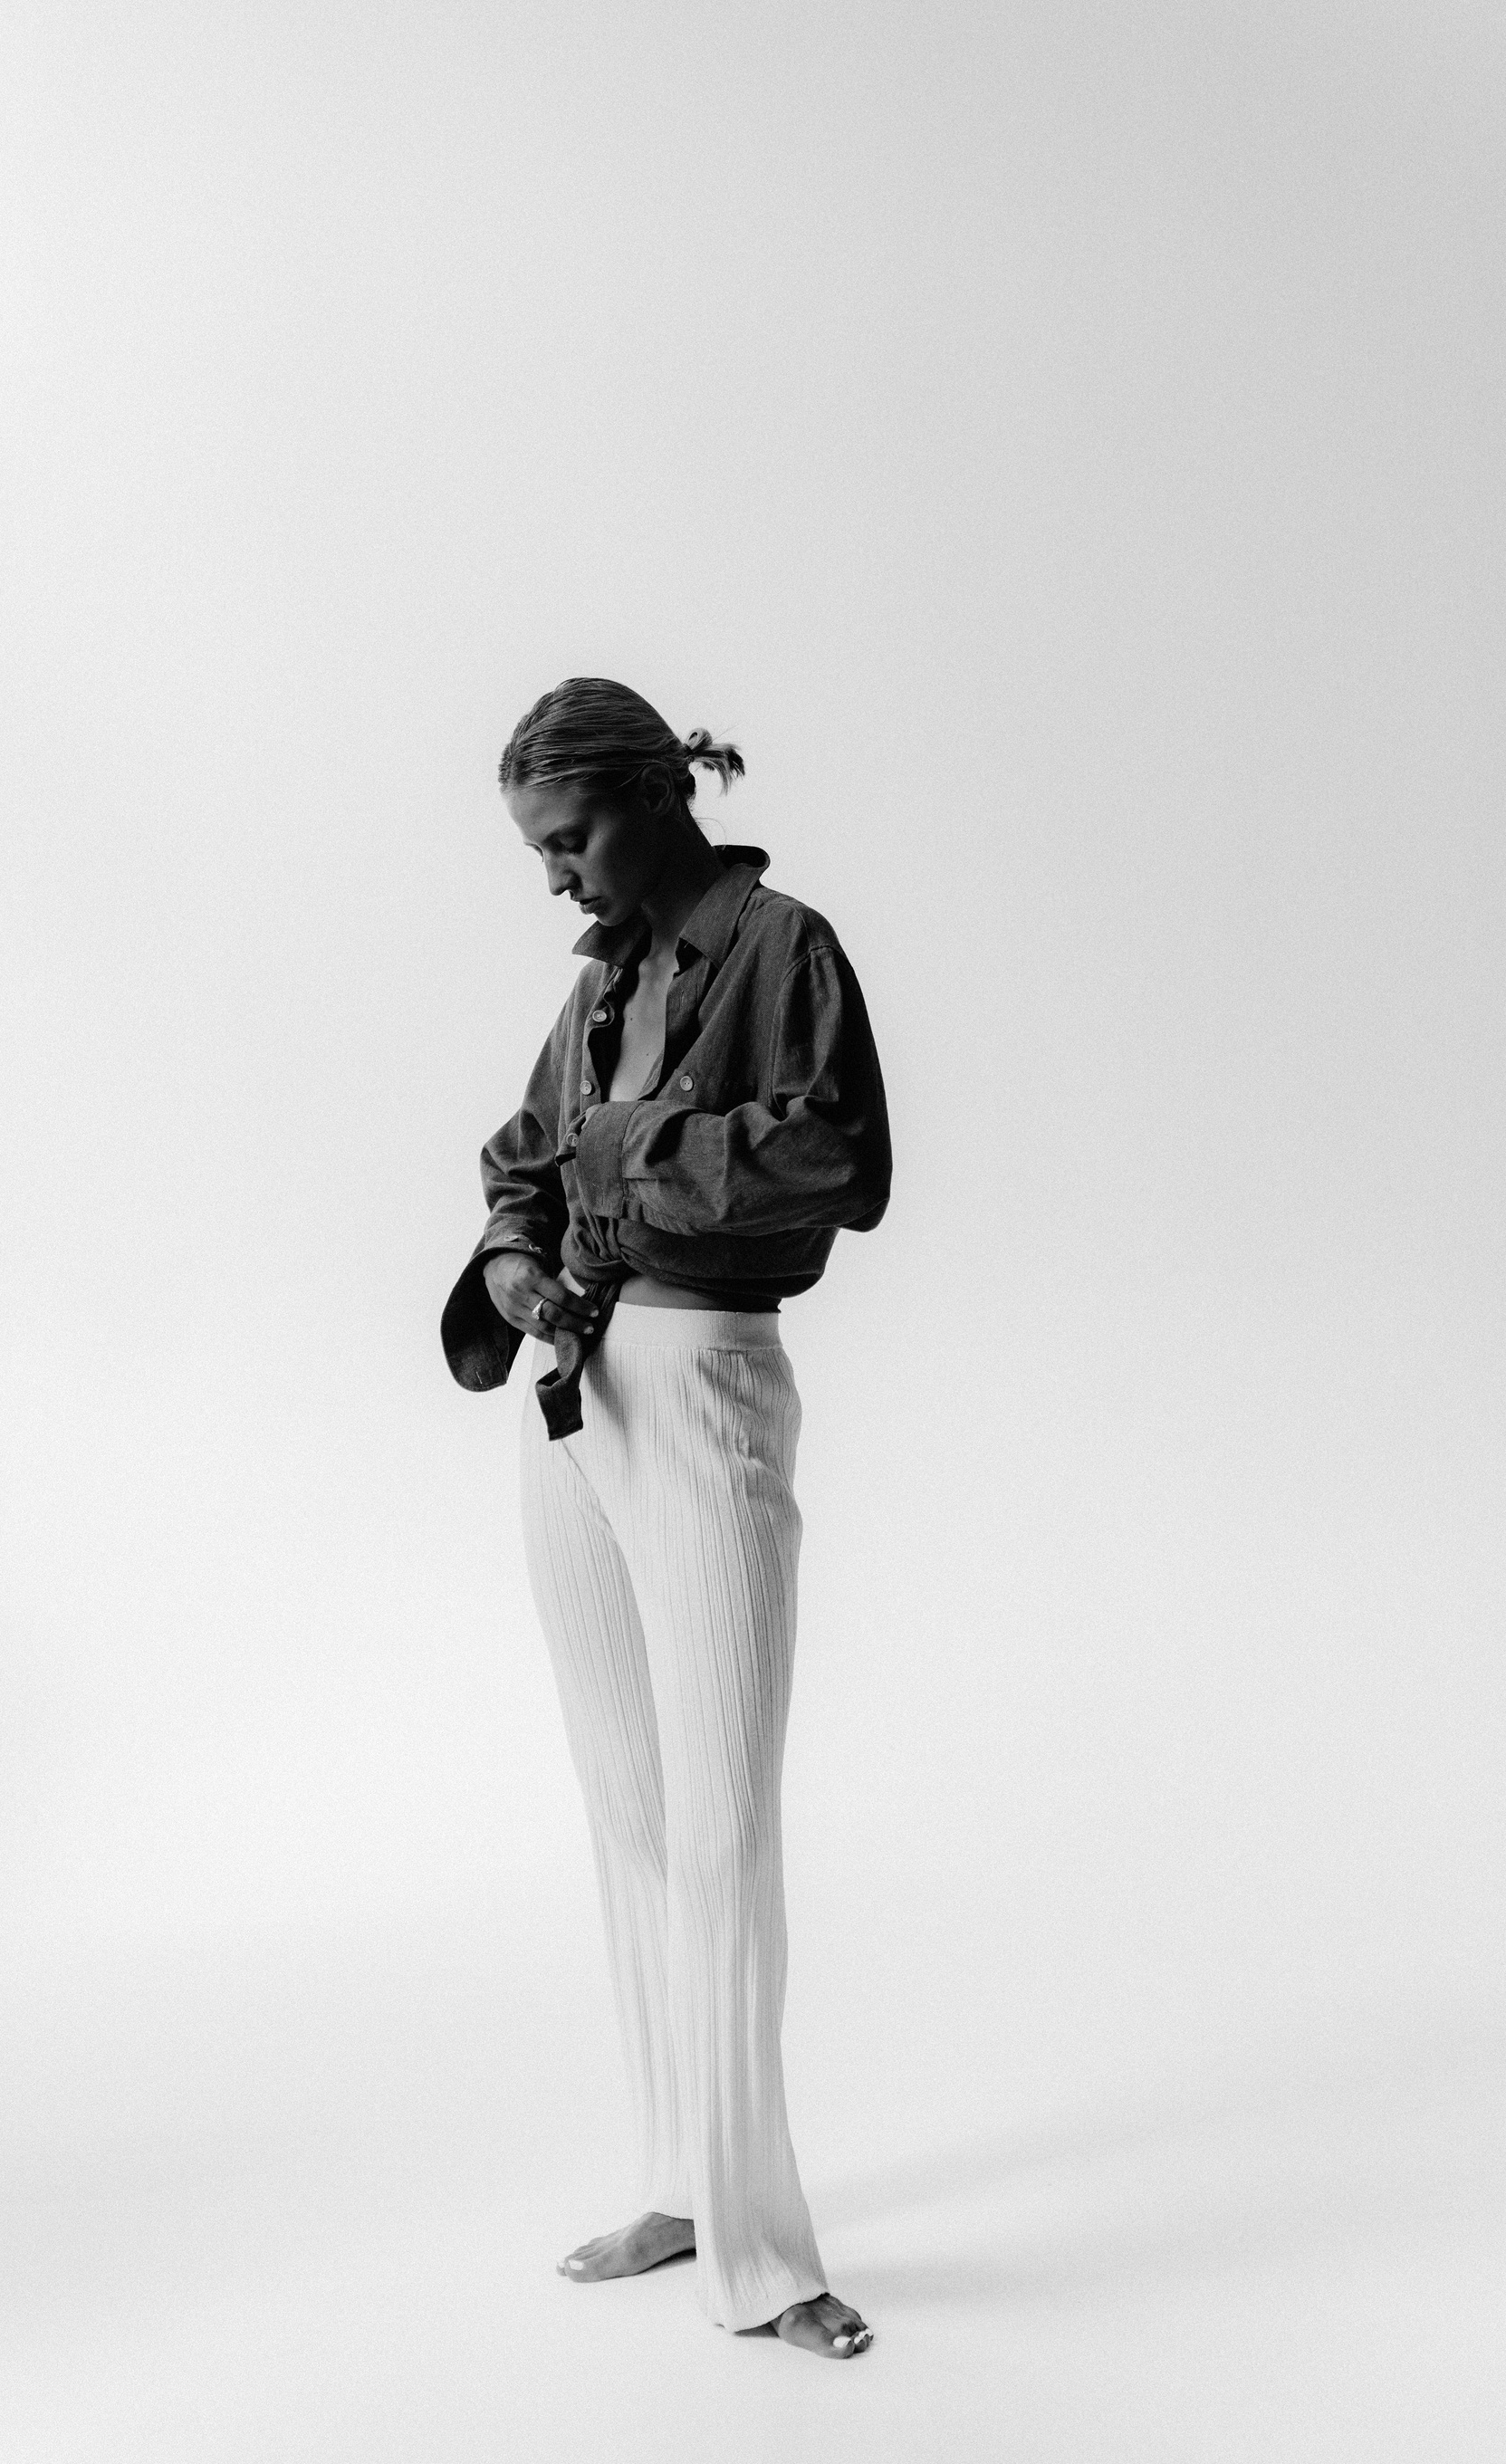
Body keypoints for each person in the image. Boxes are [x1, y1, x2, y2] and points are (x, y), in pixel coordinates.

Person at [441, 677, 891, 2359]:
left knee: (722, 1836)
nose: (555, 877)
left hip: (704, 1386)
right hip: (573, 1410)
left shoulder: (783, 948)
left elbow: (841, 1159)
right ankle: (680, 2180)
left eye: (568, 839)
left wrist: (625, 1153)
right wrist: (516, 1266)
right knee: (630, 1818)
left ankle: (763, 2256)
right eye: (539, 851)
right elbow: (518, 1164)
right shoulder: (601, 980)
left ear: (654, 795)